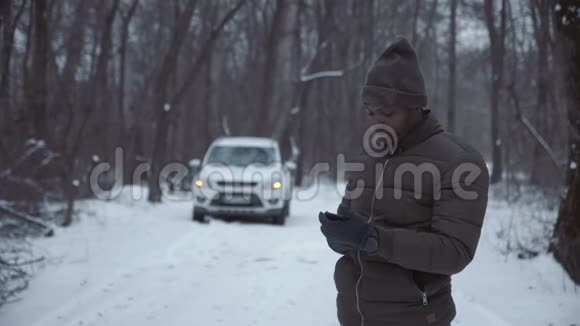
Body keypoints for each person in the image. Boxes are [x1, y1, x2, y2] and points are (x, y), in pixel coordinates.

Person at [319, 37, 490, 326]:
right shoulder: (369, 155)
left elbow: (454, 252)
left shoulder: (460, 163)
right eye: (372, 114)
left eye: (387, 113)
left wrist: (375, 239)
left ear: (415, 107)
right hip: (354, 316)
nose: (377, 122)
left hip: (414, 317)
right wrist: (340, 236)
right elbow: (356, 231)